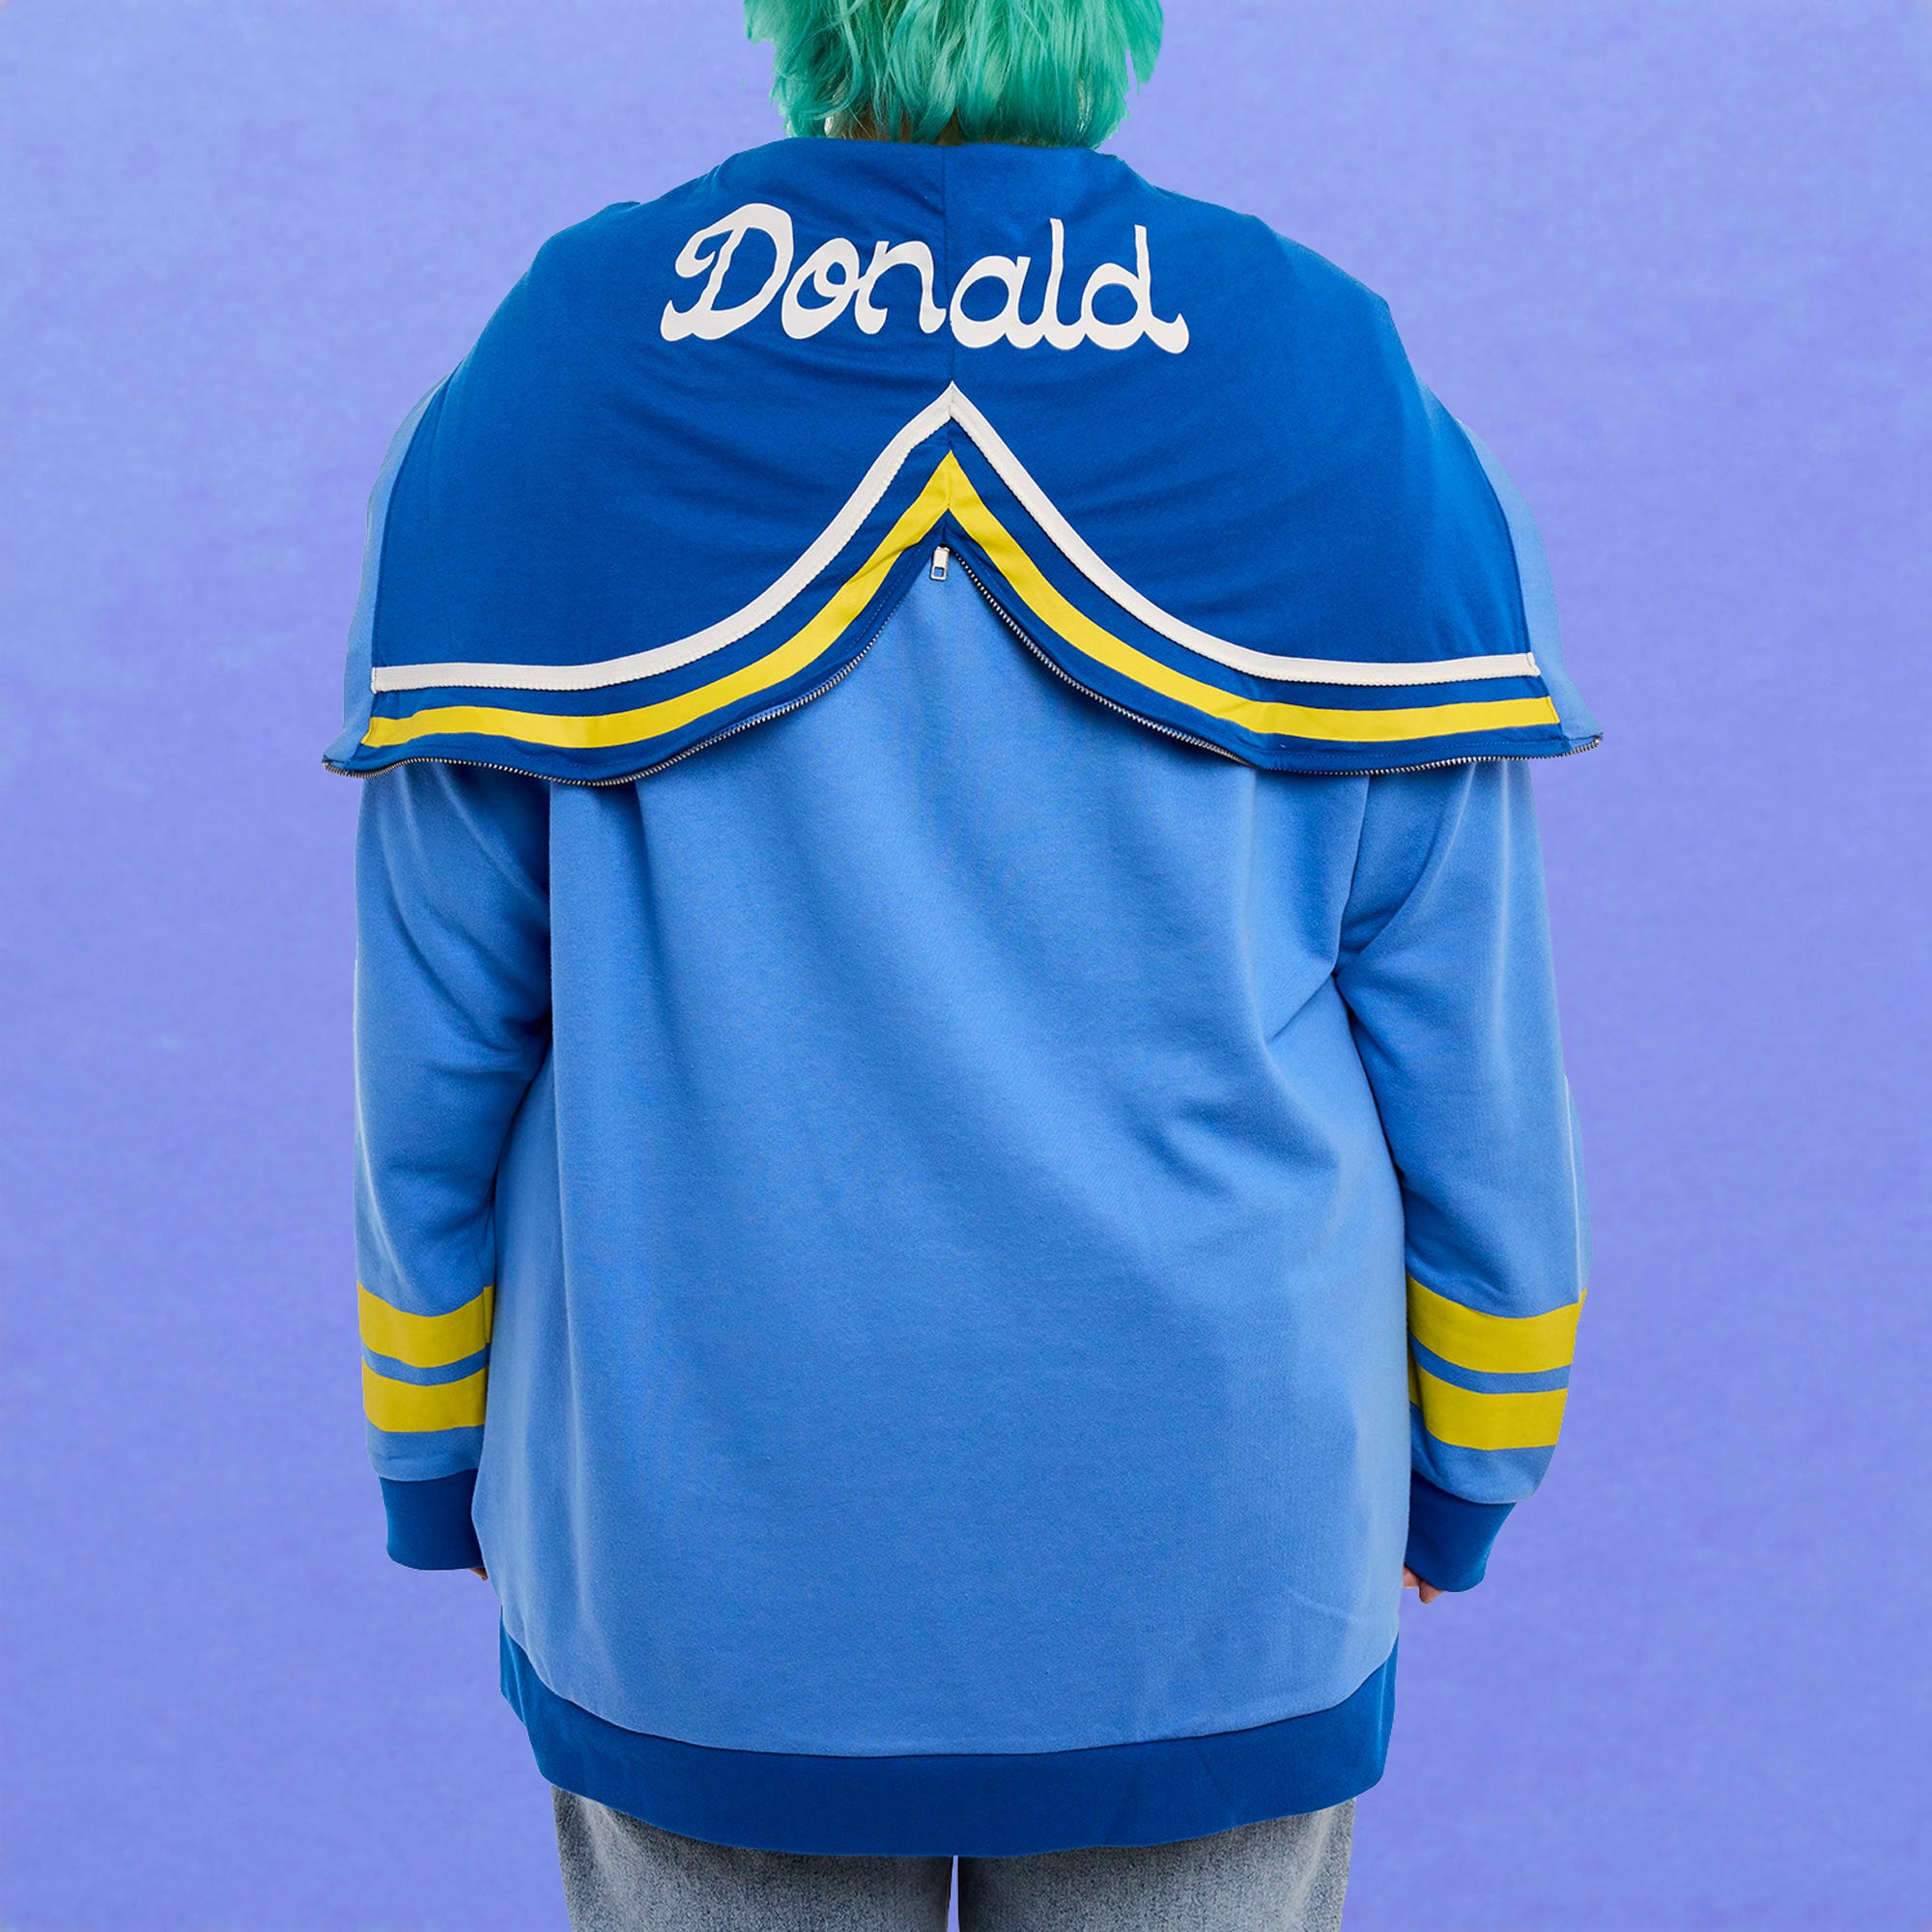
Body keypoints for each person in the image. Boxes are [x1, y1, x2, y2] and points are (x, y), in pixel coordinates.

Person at [330, 1, 1598, 1924]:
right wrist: (1474, 1460)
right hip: (1217, 1547)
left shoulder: (557, 376)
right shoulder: (1322, 378)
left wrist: (436, 1447)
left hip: (695, 1550)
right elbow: (1465, 1037)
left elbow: (438, 1040)